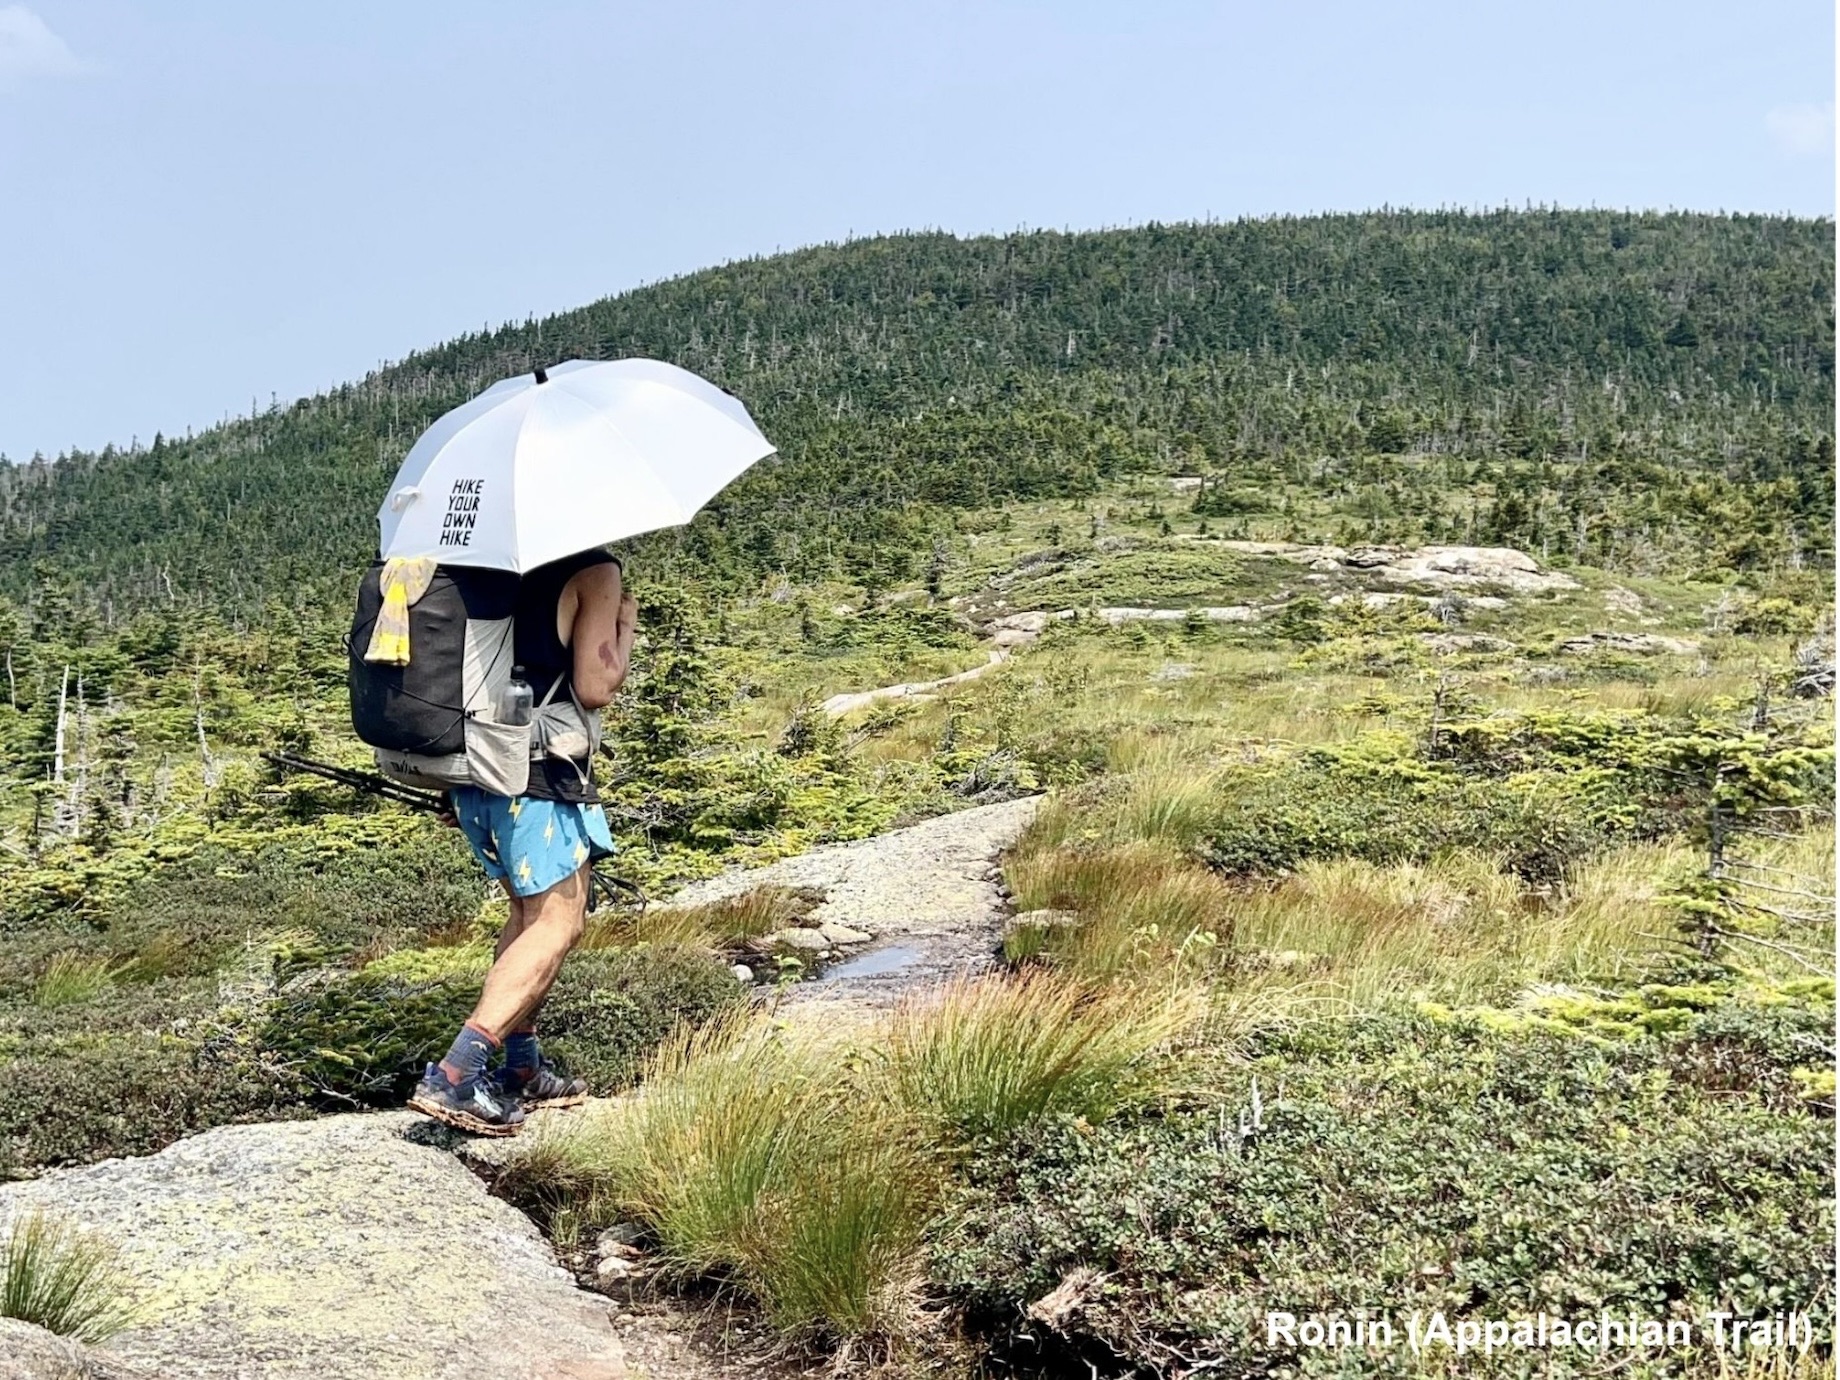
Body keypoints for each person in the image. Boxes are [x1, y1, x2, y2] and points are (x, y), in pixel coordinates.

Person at [408, 548, 637, 1136]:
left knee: (526, 915)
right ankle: (458, 1074)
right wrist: (624, 628)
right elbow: (594, 686)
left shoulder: (480, 565)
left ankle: (522, 1068)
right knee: (558, 923)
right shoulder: (591, 568)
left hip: (472, 772)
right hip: (536, 774)